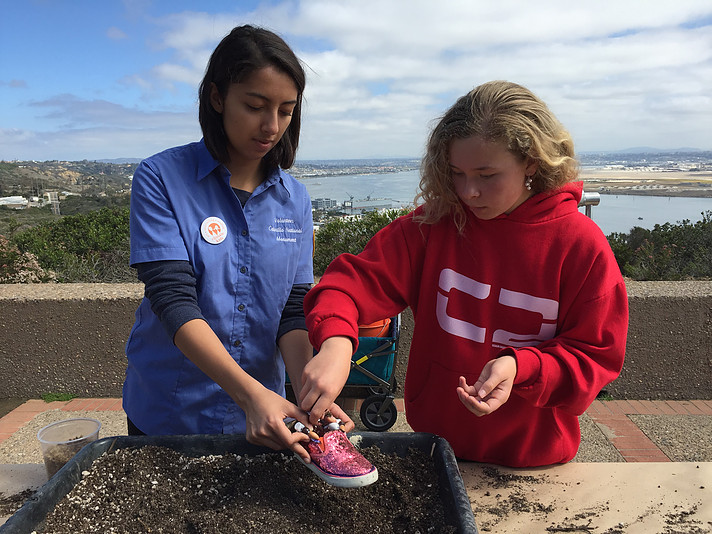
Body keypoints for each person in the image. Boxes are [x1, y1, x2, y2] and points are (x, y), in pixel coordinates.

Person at [300, 81, 628, 467]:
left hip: (534, 458)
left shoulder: (580, 244)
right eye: (457, 173)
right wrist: (337, 343)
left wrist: (522, 367)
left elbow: (595, 356)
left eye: (487, 175)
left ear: (532, 164)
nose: (468, 192)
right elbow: (348, 286)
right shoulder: (431, 226)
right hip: (435, 450)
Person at [123, 24, 353, 463]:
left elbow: (292, 306)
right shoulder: (160, 178)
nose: (271, 126)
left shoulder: (296, 199)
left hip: (266, 416)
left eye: (286, 111)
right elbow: (172, 299)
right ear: (216, 98)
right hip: (170, 411)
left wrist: (309, 395)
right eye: (254, 106)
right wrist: (250, 396)